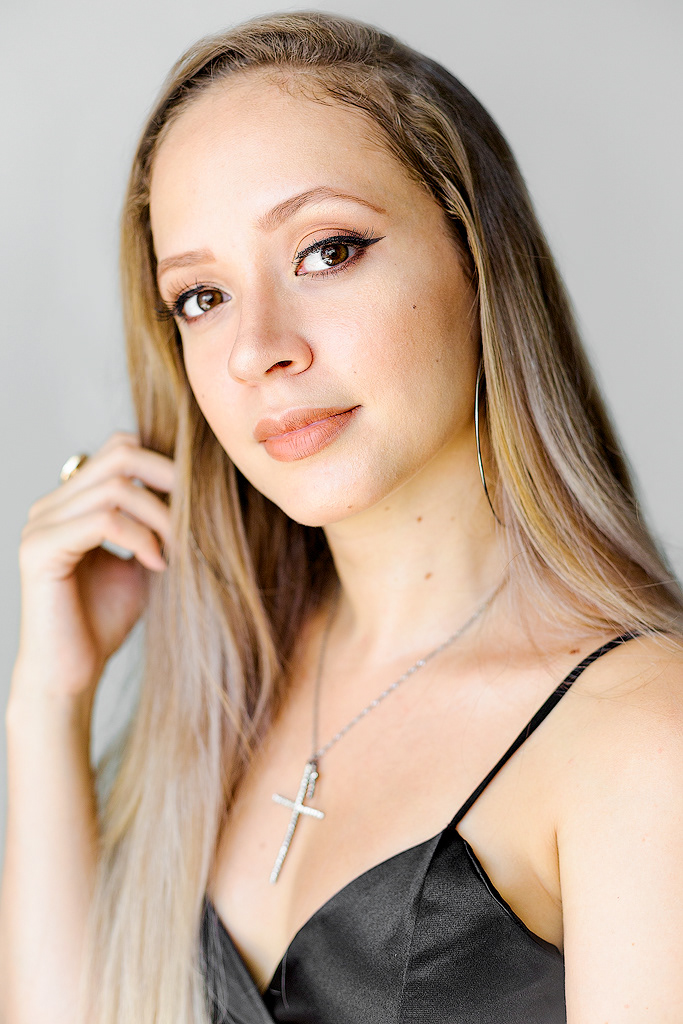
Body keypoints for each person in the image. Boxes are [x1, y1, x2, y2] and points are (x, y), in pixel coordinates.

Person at [2, 9, 683, 1024]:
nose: (257, 350)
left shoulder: (644, 731)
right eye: (200, 298)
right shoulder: (226, 693)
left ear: (474, 257)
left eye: (326, 251)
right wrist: (49, 699)